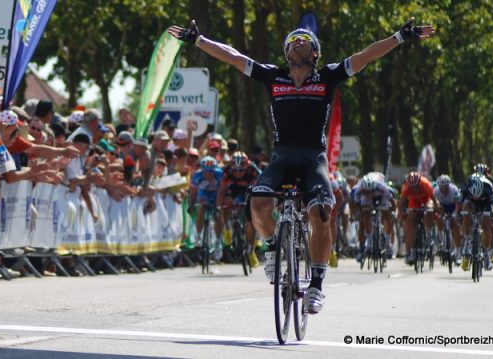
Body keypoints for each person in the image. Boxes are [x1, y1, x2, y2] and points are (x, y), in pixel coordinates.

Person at [169, 17, 434, 313]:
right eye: (293, 40)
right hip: (282, 156)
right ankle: (272, 247)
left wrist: (399, 37)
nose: (298, 43)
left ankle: (317, 285)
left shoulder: (327, 77)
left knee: (321, 214)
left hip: (313, 158)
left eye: (305, 41)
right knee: (257, 203)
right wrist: (199, 40)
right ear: (285, 50)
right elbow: (233, 57)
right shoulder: (273, 76)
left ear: (315, 53)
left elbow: (365, 56)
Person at [216, 151, 260, 267]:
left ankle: (251, 251)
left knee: (251, 220)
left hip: (250, 188)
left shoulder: (253, 170)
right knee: (226, 203)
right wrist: (218, 207)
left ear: (246, 166)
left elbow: (260, 188)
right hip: (234, 188)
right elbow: (221, 191)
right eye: (235, 170)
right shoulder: (227, 171)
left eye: (241, 170)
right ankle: (227, 228)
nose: (238, 173)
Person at [398, 171, 439, 266]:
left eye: (416, 187)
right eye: (413, 188)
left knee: (428, 211)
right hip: (414, 201)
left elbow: (434, 199)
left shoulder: (425, 184)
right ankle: (412, 251)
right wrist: (402, 213)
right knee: (410, 221)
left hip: (426, 199)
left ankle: (428, 233)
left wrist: (435, 209)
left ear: (419, 183)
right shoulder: (406, 186)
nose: (415, 189)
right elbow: (401, 202)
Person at [460, 173, 493, 271]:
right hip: (470, 202)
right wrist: (460, 214)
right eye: (474, 196)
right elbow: (459, 204)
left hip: (485, 203)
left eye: (478, 196)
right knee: (466, 211)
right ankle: (468, 240)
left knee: (486, 225)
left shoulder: (488, 187)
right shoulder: (465, 186)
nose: (476, 198)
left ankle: (486, 253)